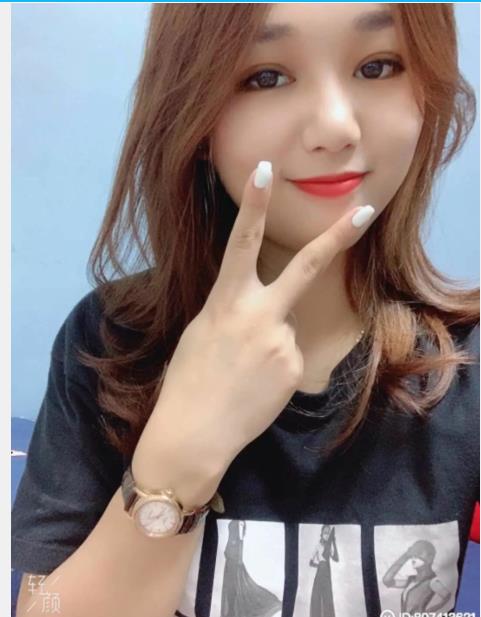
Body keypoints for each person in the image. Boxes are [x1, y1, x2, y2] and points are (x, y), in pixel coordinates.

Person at [12, 4, 479, 617]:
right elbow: (42, 606)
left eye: (378, 66)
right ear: (195, 116)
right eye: (266, 77)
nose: (336, 127)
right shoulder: (107, 339)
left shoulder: (466, 363)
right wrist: (175, 467)